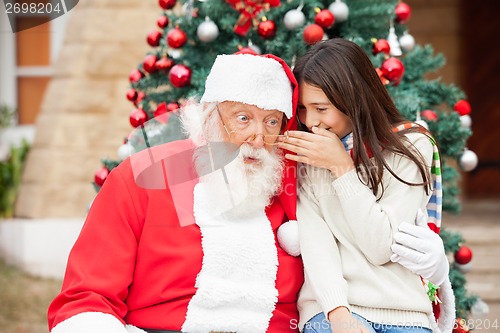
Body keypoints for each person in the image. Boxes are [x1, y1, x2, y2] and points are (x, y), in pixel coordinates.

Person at [48, 50, 451, 333]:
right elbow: (86, 299)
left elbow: (359, 237)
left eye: (272, 122)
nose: (257, 137)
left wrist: (436, 271)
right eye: (242, 118)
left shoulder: (293, 182)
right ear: (208, 116)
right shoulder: (141, 179)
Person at [277, 38, 455, 333]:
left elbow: (380, 246)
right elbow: (318, 246)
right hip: (329, 311)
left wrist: (342, 169)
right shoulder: (308, 158)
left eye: (321, 108)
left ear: (353, 99)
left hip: (405, 312)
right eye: (304, 109)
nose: (311, 122)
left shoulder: (411, 146)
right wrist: (338, 315)